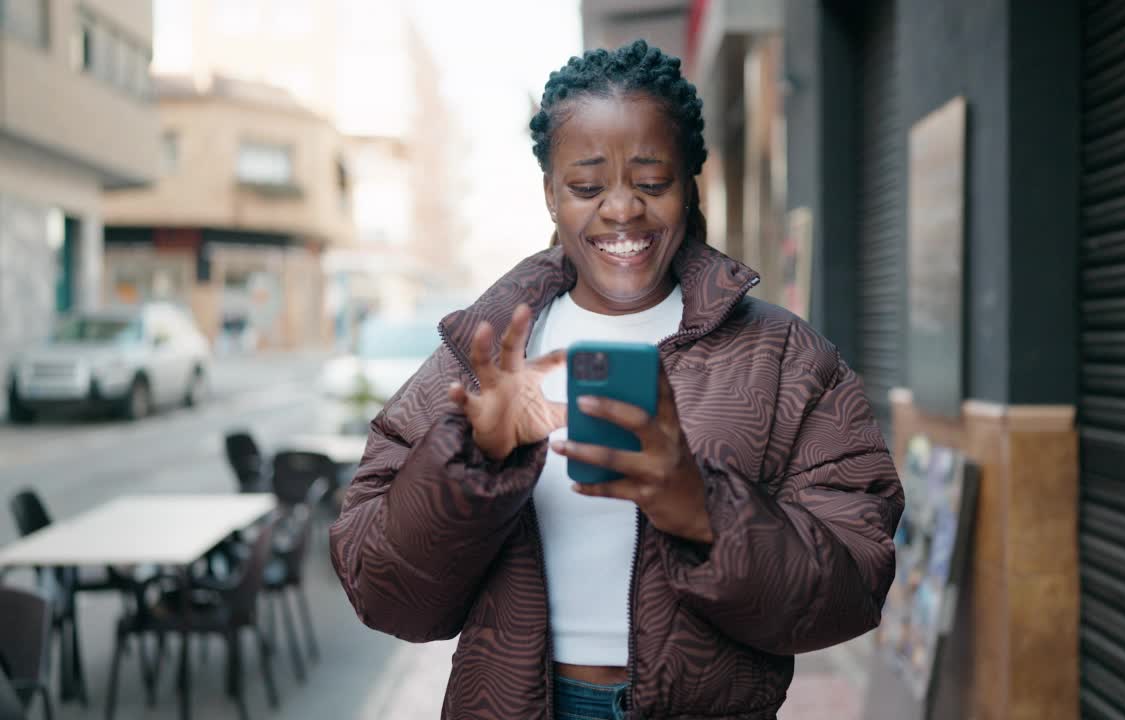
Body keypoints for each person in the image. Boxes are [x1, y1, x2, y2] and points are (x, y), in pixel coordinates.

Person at [330, 40, 903, 720]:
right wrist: (470, 461)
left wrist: (701, 508)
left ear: (690, 181)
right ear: (550, 193)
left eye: (652, 182)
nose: (622, 209)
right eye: (586, 186)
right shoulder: (482, 353)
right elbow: (382, 590)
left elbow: (854, 586)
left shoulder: (785, 358)